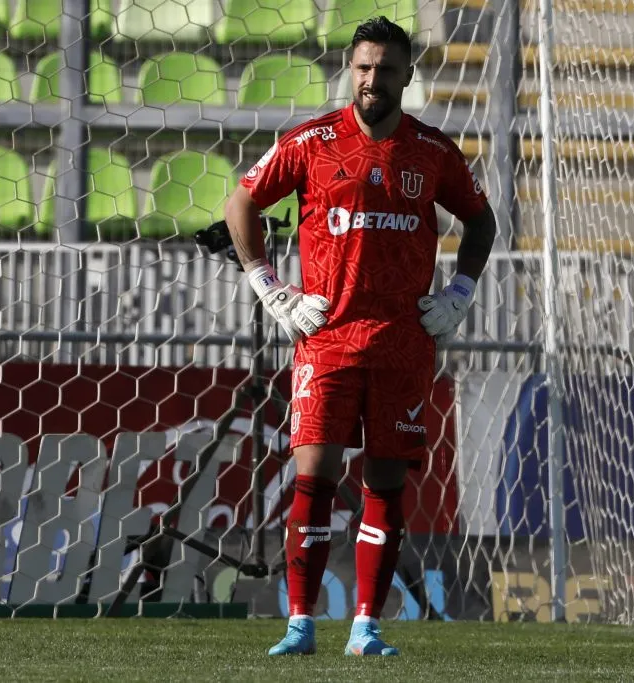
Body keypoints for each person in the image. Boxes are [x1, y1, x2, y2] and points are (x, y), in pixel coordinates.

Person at [223, 16, 497, 656]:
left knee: (385, 485)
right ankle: (299, 624)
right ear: (352, 68)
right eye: (364, 66)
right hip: (327, 337)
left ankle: (366, 628)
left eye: (386, 68)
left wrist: (460, 292)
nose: (373, 78)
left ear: (407, 74)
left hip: (403, 343)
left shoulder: (432, 151)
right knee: (313, 479)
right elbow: (241, 204)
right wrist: (269, 287)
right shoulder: (312, 140)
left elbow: (481, 223)